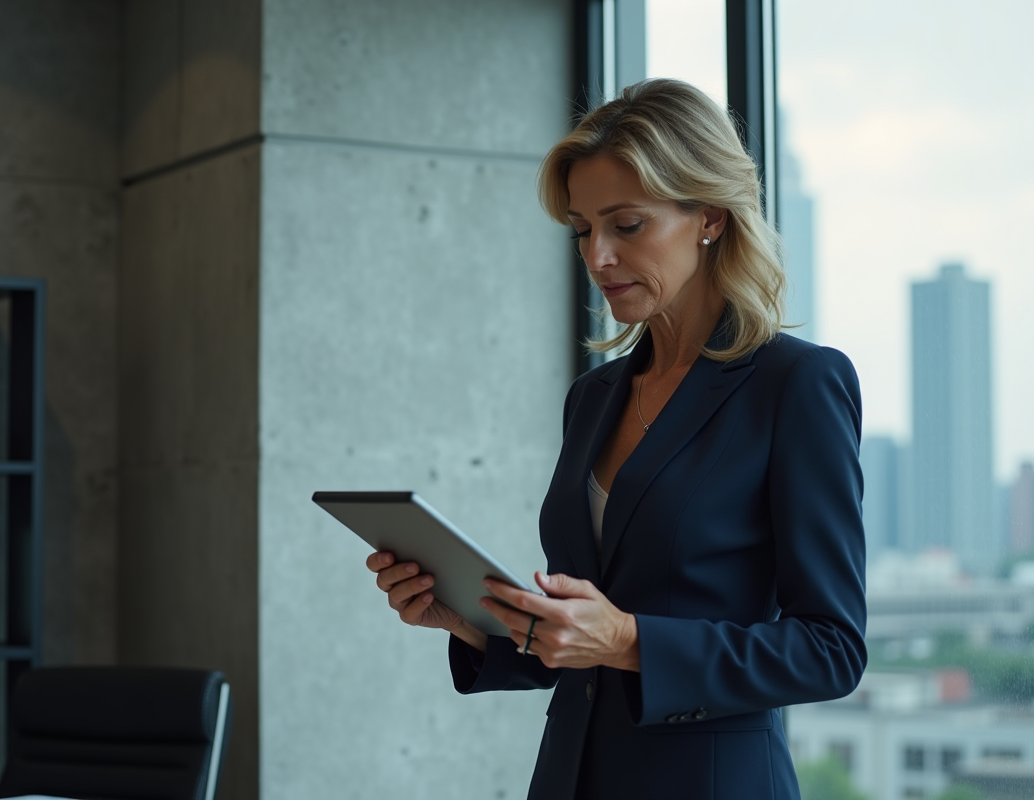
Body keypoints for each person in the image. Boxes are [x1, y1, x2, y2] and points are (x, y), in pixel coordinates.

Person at [366, 78, 866, 800]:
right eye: (581, 229)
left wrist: (631, 642)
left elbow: (832, 650)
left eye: (626, 225)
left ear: (711, 218)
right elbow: (583, 635)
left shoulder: (796, 385)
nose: (597, 256)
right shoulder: (593, 399)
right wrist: (475, 625)